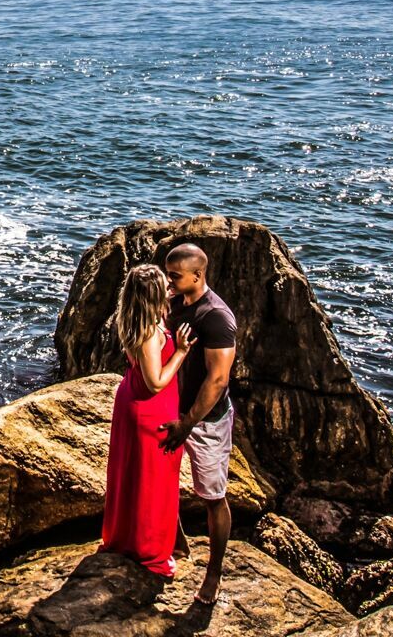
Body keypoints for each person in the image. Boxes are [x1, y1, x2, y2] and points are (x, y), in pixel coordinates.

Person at [100, 263, 194, 577]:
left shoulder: (135, 320)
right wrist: (181, 352)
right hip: (150, 408)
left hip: (132, 400)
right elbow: (155, 382)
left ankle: (127, 537)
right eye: (165, 285)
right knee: (152, 480)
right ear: (153, 295)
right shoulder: (150, 334)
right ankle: (149, 549)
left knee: (132, 476)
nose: (170, 286)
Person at [157, 242, 238, 606]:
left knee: (212, 497)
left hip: (205, 422)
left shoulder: (216, 317)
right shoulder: (176, 304)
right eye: (167, 274)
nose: (169, 282)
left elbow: (217, 380)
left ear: (198, 275)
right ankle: (177, 542)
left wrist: (188, 423)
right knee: (162, 482)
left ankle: (214, 574)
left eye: (174, 276)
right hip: (171, 412)